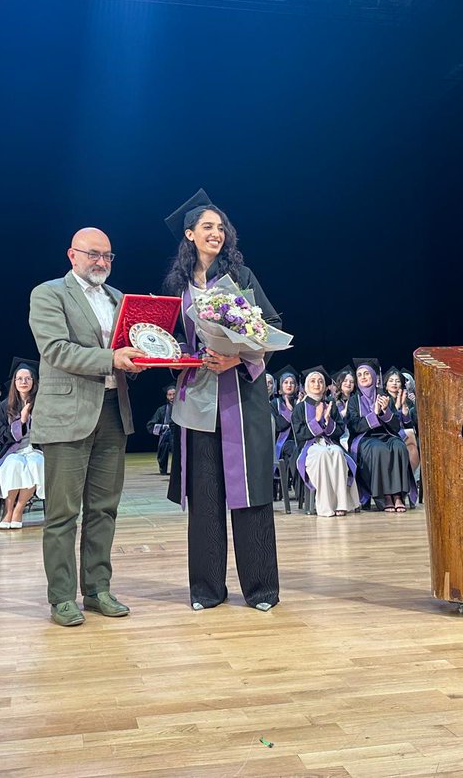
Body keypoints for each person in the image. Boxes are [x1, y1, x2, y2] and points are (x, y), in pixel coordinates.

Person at [164, 190, 281, 612]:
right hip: (197, 401)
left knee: (250, 497)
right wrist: (172, 354)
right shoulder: (178, 289)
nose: (216, 233)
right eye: (207, 227)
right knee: (206, 497)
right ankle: (206, 590)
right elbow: (174, 338)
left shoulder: (241, 278)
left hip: (240, 401)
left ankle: (262, 589)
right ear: (190, 235)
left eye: (221, 227)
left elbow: (271, 326)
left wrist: (238, 357)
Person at [29, 227, 142, 627]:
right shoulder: (48, 293)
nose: (101, 262)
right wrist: (113, 359)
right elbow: (56, 349)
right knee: (62, 513)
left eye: (108, 256)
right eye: (93, 254)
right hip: (67, 417)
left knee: (105, 509)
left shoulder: (119, 299)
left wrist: (142, 358)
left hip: (114, 410)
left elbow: (129, 349)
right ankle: (62, 596)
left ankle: (97, 590)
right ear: (72, 255)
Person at [347, 359, 417, 513]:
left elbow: (395, 426)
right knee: (379, 449)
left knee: (399, 447)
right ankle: (384, 496)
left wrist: (385, 411)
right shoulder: (354, 401)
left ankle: (398, 496)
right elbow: (354, 426)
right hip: (364, 439)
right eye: (360, 375)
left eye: (366, 374)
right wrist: (375, 414)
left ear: (373, 375)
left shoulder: (385, 397)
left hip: (387, 435)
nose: (363, 377)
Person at [291, 366, 359, 517]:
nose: (317, 384)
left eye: (320, 381)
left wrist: (327, 420)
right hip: (308, 447)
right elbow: (300, 434)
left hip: (329, 443)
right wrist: (316, 420)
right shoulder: (300, 408)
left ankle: (341, 504)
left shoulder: (331, 405)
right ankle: (325, 505)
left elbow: (340, 430)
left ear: (325, 386)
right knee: (321, 454)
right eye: (313, 381)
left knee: (337, 452)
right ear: (307, 386)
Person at [0, 358, 43, 529]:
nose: (23, 382)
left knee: (35, 465)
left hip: (36, 449)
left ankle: (18, 510)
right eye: (19, 378)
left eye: (27, 378)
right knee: (13, 465)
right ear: (14, 382)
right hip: (12, 450)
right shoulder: (5, 406)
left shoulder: (42, 402)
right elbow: (0, 436)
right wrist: (21, 421)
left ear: (33, 381)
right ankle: (8, 511)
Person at [272, 367, 299, 502]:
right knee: (294, 449)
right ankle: (299, 488)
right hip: (281, 444)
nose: (289, 385)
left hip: (298, 440)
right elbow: (277, 426)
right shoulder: (274, 403)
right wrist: (289, 411)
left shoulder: (300, 402)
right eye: (286, 382)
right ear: (281, 386)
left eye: (292, 383)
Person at [146, 385, 176, 476]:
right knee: (164, 444)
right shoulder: (162, 410)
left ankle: (178, 471)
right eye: (169, 395)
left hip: (179, 436)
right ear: (167, 396)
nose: (172, 397)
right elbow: (150, 425)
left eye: (174, 394)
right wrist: (164, 427)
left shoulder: (184, 408)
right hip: (166, 435)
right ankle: (163, 470)